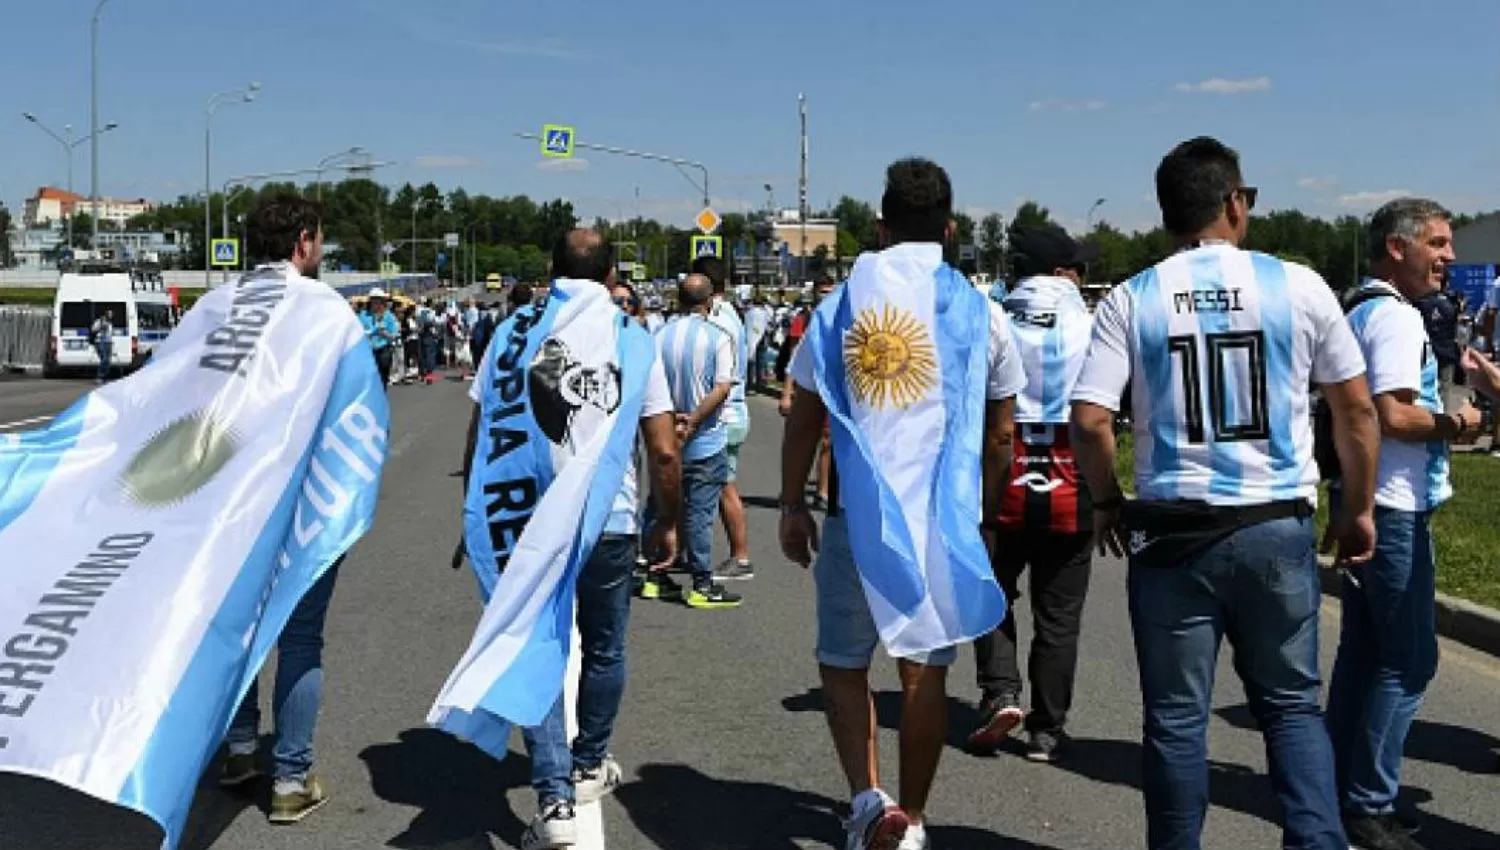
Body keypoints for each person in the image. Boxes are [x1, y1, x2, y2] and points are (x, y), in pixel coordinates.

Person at [1068, 136, 1380, 850]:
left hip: (1172, 532)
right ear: (1234, 203)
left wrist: (1107, 501)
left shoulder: (1131, 297)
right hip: (1274, 521)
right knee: (1293, 708)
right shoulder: (1297, 284)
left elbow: (1089, 420)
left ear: (1168, 213)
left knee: (1177, 720)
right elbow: (1357, 411)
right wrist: (1356, 509)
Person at [781, 157, 1024, 850]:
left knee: (843, 660)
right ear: (949, 229)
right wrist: (984, 508)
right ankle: (913, 818)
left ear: (881, 227)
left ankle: (867, 798)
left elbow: (802, 414)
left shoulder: (839, 307)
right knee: (925, 671)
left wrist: (794, 502)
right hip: (940, 522)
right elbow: (1002, 430)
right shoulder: (982, 312)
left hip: (856, 519)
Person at [460, 231, 682, 849]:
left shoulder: (511, 333)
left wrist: (474, 508)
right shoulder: (631, 337)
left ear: (550, 268)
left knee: (538, 645)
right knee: (606, 647)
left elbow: (484, 428)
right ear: (612, 272)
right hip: (608, 520)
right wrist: (669, 518)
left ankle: (554, 800)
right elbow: (663, 449)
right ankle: (589, 762)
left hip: (531, 519)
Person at [1325, 198, 1473, 850]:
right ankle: (1368, 804)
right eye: (1437, 244)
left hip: (1367, 498)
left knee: (1365, 652)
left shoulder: (1357, 309)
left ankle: (1331, 785)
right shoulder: (1395, 319)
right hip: (1392, 506)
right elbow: (1393, 414)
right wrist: (1460, 423)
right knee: (1411, 660)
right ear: (1397, 246)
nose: (1448, 257)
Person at [220, 193, 353, 824]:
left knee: (238, 630)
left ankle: (241, 749)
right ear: (304, 240)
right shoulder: (324, 309)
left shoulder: (216, 307)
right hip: (302, 504)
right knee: (299, 637)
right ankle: (290, 779)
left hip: (223, 508)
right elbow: (357, 411)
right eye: (319, 240)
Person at [968, 224, 1099, 762]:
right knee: (1059, 615)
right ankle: (1047, 728)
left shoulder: (988, 317)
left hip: (1001, 474)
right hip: (1072, 476)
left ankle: (1000, 690)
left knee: (990, 593)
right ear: (1061, 272)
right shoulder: (1092, 321)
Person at [642, 274, 743, 609]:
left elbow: (649, 384)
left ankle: (654, 575)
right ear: (711, 300)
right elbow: (723, 386)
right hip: (705, 437)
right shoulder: (718, 336)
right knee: (699, 511)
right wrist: (695, 419)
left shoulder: (659, 335)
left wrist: (672, 420)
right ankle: (701, 582)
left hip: (665, 434)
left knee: (659, 503)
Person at [693, 255, 755, 581]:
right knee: (719, 486)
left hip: (725, 414)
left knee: (723, 488)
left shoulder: (717, 320)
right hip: (732, 412)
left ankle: (741, 557)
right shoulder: (730, 314)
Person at [360, 289, 400, 387]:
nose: (377, 304)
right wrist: (370, 333)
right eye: (374, 300)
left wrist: (385, 334)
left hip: (383, 350)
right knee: (369, 380)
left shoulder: (388, 316)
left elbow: (394, 335)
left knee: (382, 379)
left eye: (380, 301)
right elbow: (359, 332)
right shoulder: (364, 315)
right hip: (368, 351)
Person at [744, 297, 772, 390]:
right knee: (761, 360)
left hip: (750, 336)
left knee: (750, 360)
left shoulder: (748, 313)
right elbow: (769, 325)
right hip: (762, 337)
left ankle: (749, 381)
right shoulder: (764, 313)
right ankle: (760, 382)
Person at [89, 309, 114, 384]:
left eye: (111, 314)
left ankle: (104, 377)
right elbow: (93, 330)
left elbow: (109, 333)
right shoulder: (99, 321)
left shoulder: (110, 323)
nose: (111, 315)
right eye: (109, 314)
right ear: (106, 314)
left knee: (108, 361)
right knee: (104, 359)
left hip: (108, 342)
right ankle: (99, 377)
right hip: (100, 342)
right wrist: (101, 326)